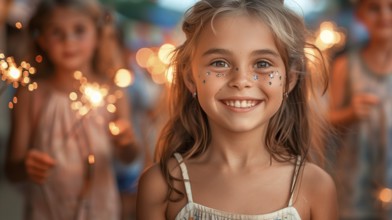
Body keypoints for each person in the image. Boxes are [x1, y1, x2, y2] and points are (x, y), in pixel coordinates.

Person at [136, 0, 338, 219]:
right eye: (219, 63)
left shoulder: (315, 187)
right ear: (189, 77)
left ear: (289, 79)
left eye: (262, 64)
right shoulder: (162, 185)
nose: (241, 81)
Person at [4, 0, 139, 220]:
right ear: (42, 39)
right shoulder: (31, 94)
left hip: (100, 210)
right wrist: (27, 166)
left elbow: (129, 158)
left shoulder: (113, 92)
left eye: (79, 30)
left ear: (97, 35)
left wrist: (126, 143)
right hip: (46, 210)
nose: (69, 41)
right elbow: (11, 169)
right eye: (57, 32)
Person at [328, 0, 392, 219]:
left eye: (391, 7)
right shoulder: (346, 65)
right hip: (356, 177)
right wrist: (350, 113)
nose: (384, 15)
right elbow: (329, 118)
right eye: (374, 8)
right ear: (360, 15)